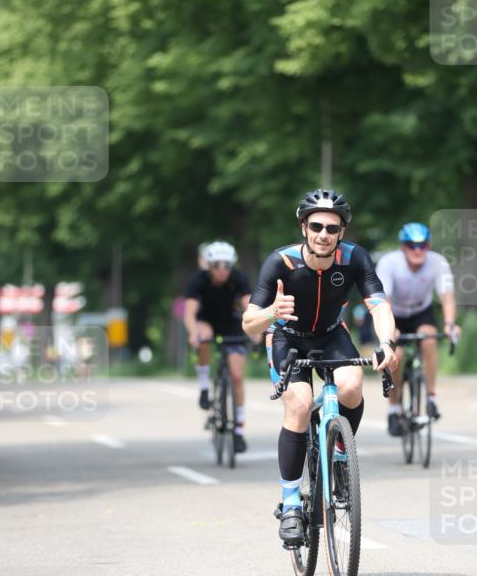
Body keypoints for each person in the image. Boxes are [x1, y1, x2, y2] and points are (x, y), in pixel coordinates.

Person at [242, 188, 398, 545]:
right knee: (298, 404)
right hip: (287, 336)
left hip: (330, 334)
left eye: (332, 228)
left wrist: (387, 343)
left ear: (341, 232)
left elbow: (379, 306)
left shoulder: (355, 258)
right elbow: (249, 323)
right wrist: (271, 312)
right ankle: (292, 503)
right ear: (303, 228)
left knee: (352, 385)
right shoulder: (279, 263)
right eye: (317, 227)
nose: (324, 235)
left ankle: (339, 456)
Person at [376, 222, 460, 434]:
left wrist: (450, 324)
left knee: (429, 339)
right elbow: (382, 301)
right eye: (411, 245)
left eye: (422, 245)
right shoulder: (389, 263)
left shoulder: (437, 263)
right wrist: (389, 331)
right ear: (402, 247)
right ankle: (394, 408)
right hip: (392, 311)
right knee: (397, 354)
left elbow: (447, 297)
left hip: (421, 311)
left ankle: (431, 397)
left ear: (428, 246)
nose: (417, 250)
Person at [184, 241, 252, 453]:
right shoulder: (198, 280)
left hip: (231, 324)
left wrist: (257, 333)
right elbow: (189, 313)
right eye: (217, 266)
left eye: (226, 266)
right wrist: (193, 333)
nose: (222, 270)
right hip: (206, 322)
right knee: (204, 336)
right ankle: (205, 387)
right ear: (209, 266)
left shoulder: (239, 278)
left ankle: (239, 430)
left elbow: (250, 307)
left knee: (237, 376)